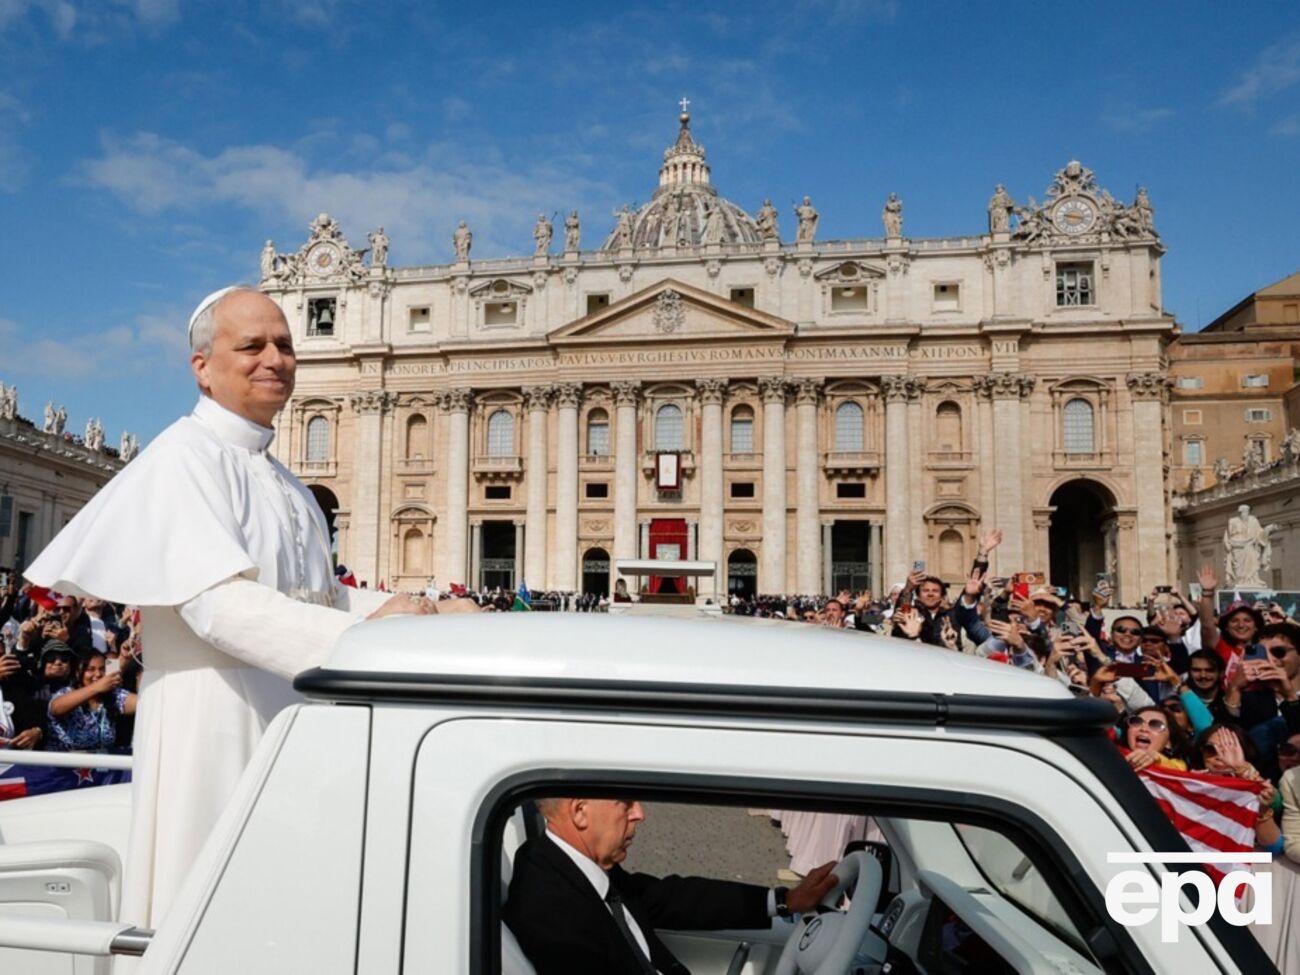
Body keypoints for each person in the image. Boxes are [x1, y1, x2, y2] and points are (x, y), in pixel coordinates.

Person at [26, 286, 478, 928]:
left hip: (287, 717)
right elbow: (219, 606)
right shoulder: (182, 460)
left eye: (285, 345)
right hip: (213, 723)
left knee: (282, 906)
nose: (275, 358)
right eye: (252, 345)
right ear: (202, 367)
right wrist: (374, 631)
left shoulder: (284, 478)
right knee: (215, 907)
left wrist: (422, 608)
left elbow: (320, 594)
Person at [504, 797, 837, 975]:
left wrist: (784, 900)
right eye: (625, 803)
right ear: (579, 812)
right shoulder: (546, 908)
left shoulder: (573, 866)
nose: (640, 814)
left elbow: (673, 898)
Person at [46, 650, 138, 752]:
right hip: (64, 765)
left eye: (102, 669)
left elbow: (143, 703)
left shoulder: (112, 695)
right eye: (90, 669)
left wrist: (123, 657)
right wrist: (96, 687)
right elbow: (55, 708)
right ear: (78, 673)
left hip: (101, 764)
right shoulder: (66, 693)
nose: (98, 674)